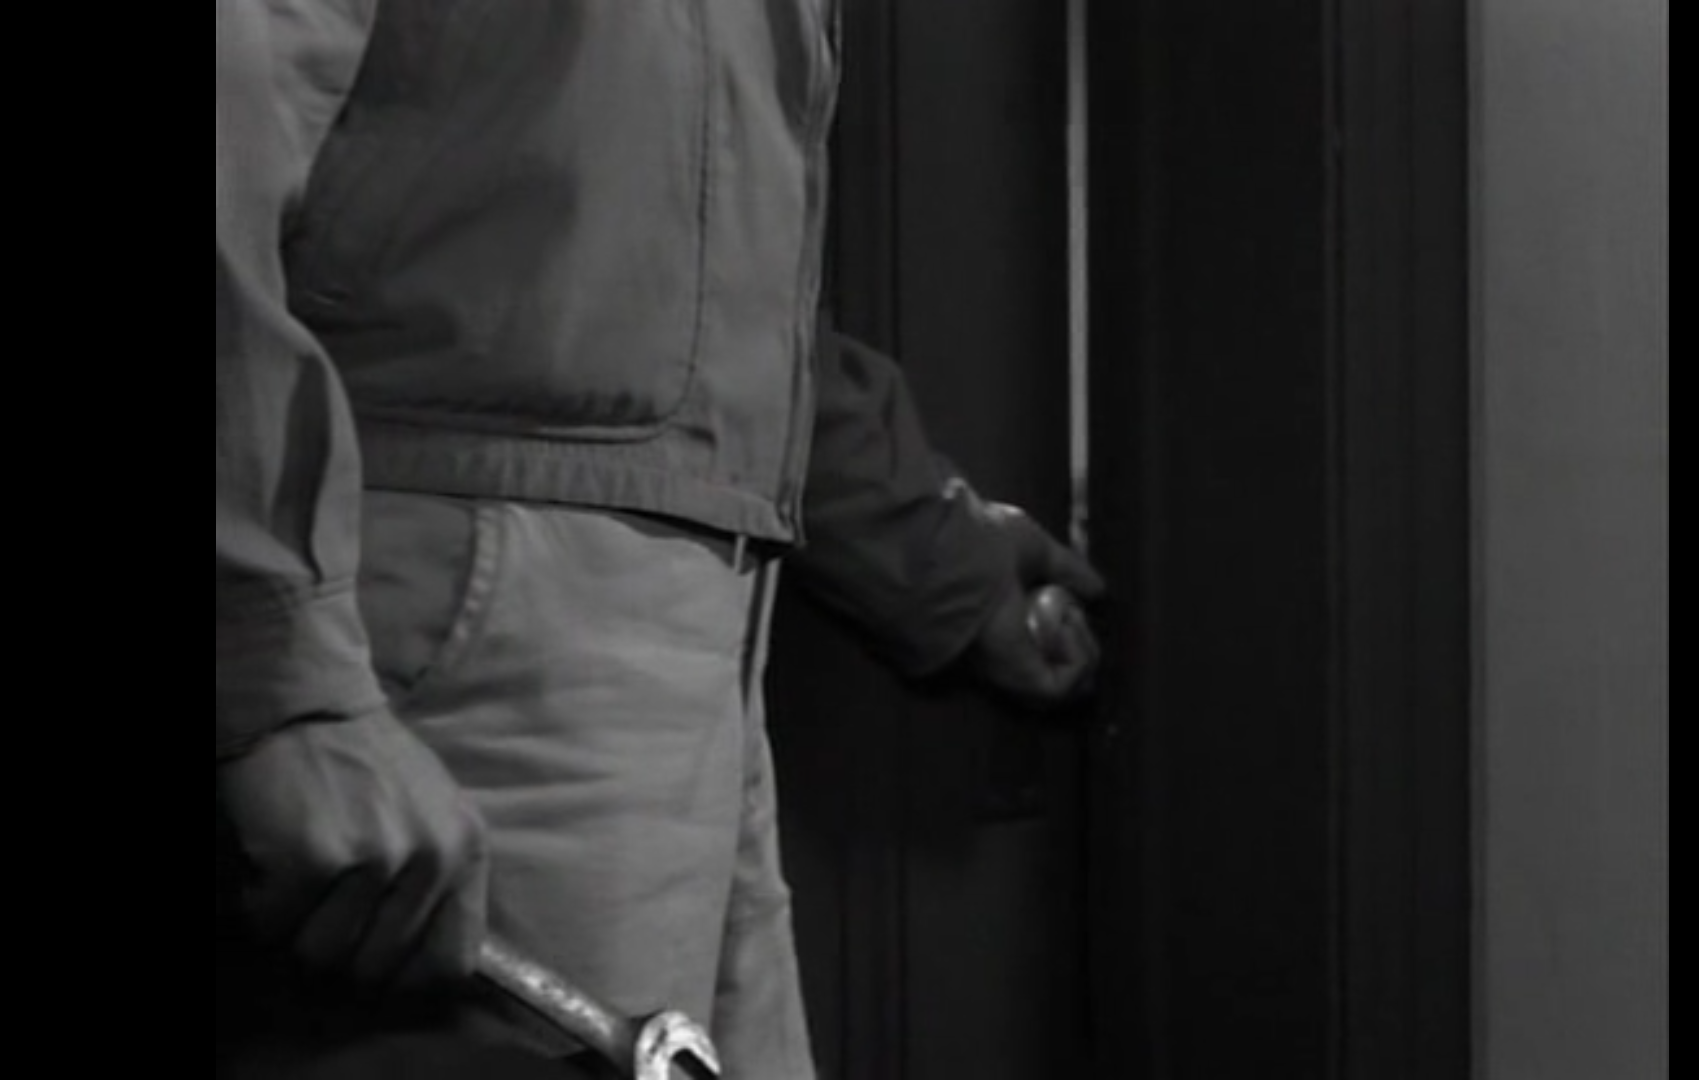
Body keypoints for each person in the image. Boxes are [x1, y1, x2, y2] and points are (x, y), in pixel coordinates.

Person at [214, 3, 1106, 1077]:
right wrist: (275, 668)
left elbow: (685, 259)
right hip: (452, 637)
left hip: (683, 659)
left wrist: (932, 548)